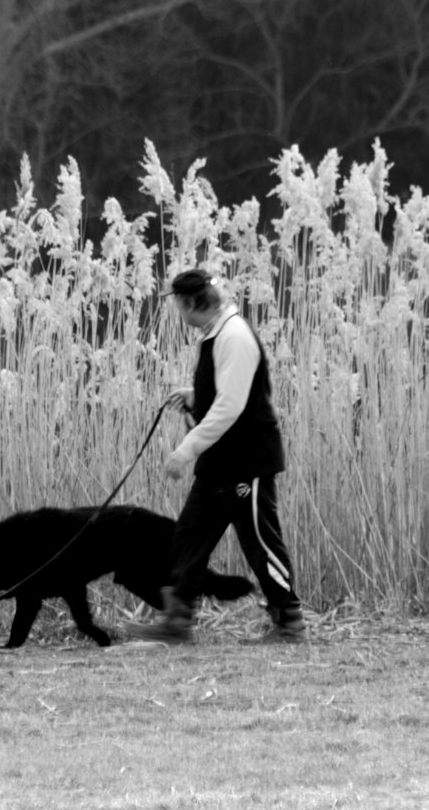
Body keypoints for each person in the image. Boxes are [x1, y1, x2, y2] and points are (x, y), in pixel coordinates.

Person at [129, 268, 305, 643]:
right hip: (220, 460)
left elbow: (229, 408)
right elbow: (226, 392)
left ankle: (289, 620)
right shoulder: (217, 333)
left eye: (179, 305)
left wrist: (185, 450)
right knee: (188, 536)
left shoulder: (234, 336)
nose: (179, 313)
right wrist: (196, 395)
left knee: (260, 542)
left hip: (247, 459)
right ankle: (178, 621)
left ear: (194, 302)